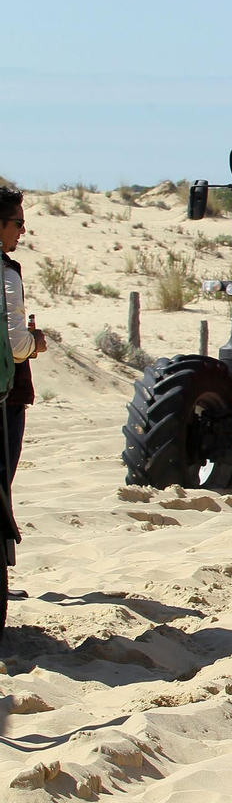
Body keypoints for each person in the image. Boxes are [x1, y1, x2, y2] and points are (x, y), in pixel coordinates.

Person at [0, 186, 43, 601]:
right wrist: (35, 342)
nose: (22, 232)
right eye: (17, 223)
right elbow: (15, 346)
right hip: (6, 395)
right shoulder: (6, 273)